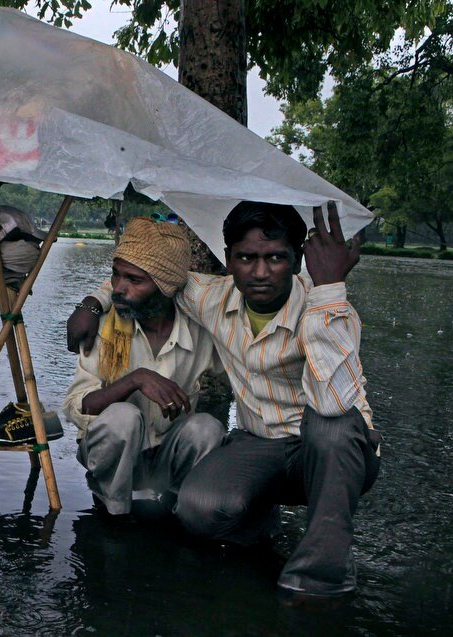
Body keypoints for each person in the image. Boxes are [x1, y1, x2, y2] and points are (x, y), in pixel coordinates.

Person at [67, 201, 381, 598]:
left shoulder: (331, 307)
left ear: (298, 259)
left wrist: (329, 288)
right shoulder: (210, 298)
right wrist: (92, 304)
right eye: (247, 258)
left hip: (332, 450)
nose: (261, 272)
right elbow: (147, 273)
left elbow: (335, 406)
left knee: (330, 427)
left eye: (276, 258)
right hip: (261, 442)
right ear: (228, 260)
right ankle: (259, 524)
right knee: (199, 510)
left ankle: (322, 576)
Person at [62, 217, 225, 516]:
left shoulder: (201, 329)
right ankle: (113, 511)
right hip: (111, 453)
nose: (118, 289)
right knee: (123, 417)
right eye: (116, 275)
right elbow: (77, 407)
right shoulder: (103, 326)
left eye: (134, 281)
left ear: (166, 288)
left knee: (207, 428)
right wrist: (135, 379)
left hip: (164, 456)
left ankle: (180, 507)